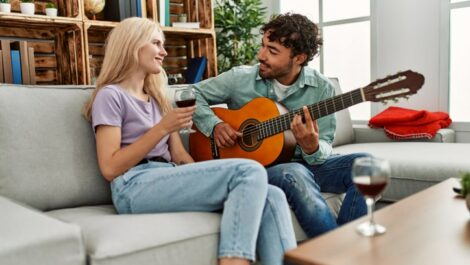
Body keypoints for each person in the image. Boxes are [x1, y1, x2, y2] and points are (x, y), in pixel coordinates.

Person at [82, 17, 296, 265]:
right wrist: (162, 128)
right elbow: (109, 168)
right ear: (132, 46)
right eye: (156, 43)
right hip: (133, 185)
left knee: (273, 196)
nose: (163, 52)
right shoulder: (111, 96)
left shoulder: (157, 99)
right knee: (248, 170)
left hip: (166, 175)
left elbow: (181, 158)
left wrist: (207, 173)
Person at [192, 13, 369, 238]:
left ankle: (347, 247)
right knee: (294, 172)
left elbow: (324, 145)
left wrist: (312, 147)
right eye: (263, 46)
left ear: (299, 58)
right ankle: (334, 254)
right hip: (259, 167)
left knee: (366, 165)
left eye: (272, 51)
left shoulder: (322, 89)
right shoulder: (240, 79)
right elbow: (191, 94)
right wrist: (214, 125)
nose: (260, 55)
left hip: (307, 163)